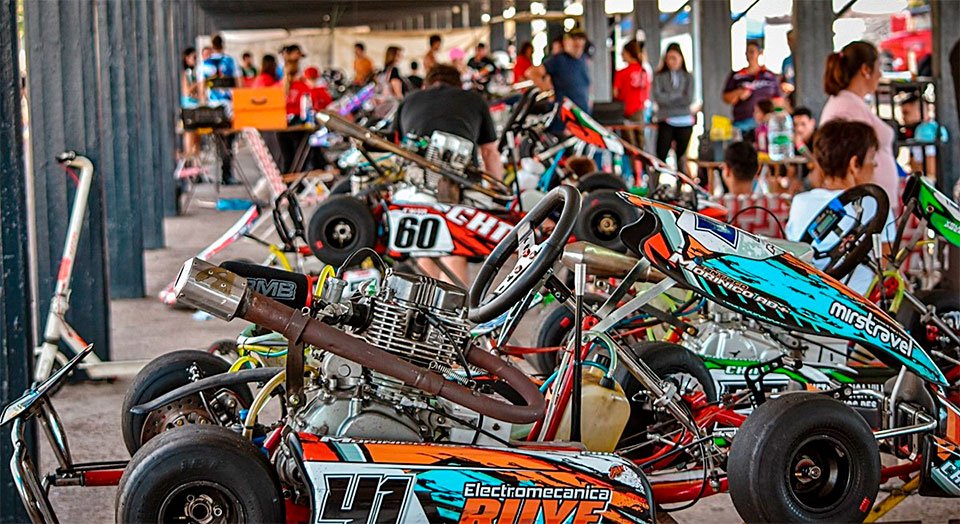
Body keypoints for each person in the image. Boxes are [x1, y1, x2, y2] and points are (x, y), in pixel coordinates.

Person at [393, 64, 503, 283]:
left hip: (416, 188)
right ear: (458, 85)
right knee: (454, 249)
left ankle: (423, 303)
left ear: (426, 85)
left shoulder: (409, 100)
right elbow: (490, 152)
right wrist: (497, 192)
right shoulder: (473, 99)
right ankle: (453, 304)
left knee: (425, 247)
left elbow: (396, 148)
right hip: (461, 186)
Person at [785, 119, 893, 294]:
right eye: (872, 158)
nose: (875, 165)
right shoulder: (875, 203)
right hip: (862, 304)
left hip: (811, 300)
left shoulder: (800, 202)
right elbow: (887, 268)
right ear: (854, 164)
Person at [820, 40, 898, 206]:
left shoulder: (852, 103)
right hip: (864, 206)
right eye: (878, 67)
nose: (880, 75)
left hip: (872, 203)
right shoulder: (845, 107)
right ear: (865, 70)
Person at [529, 29, 590, 134]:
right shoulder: (558, 60)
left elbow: (586, 83)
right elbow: (532, 72)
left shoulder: (583, 59)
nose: (578, 48)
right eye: (576, 44)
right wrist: (547, 91)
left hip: (581, 114)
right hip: (563, 116)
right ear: (567, 42)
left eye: (581, 46)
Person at [197, 34, 238, 184]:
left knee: (218, 139)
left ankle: (222, 168)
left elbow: (201, 90)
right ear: (223, 45)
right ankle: (227, 173)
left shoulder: (204, 65)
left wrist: (203, 107)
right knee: (229, 141)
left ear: (212, 46)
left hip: (213, 108)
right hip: (229, 106)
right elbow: (238, 85)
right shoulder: (230, 61)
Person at [723, 40, 782, 136]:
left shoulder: (770, 75)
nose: (749, 55)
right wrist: (739, 93)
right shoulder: (736, 76)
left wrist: (772, 115)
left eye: (752, 52)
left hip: (766, 123)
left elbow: (778, 100)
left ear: (760, 53)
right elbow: (726, 97)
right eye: (747, 52)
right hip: (742, 123)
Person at [652, 43, 695, 172]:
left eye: (674, 58)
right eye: (669, 58)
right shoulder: (659, 76)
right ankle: (657, 181)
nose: (671, 62)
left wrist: (668, 97)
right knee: (661, 154)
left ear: (681, 58)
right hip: (666, 119)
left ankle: (681, 181)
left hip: (684, 120)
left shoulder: (688, 77)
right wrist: (678, 95)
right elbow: (658, 97)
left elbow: (688, 99)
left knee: (681, 156)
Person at [180, 47, 200, 157]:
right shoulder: (186, 74)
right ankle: (188, 155)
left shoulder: (193, 73)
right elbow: (187, 91)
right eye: (194, 58)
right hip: (188, 106)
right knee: (190, 132)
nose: (195, 60)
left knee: (197, 134)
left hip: (195, 105)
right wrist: (198, 83)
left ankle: (195, 156)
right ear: (187, 59)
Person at [780, 30, 796, 96]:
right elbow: (783, 78)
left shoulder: (804, 60)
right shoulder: (786, 61)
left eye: (793, 39)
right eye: (789, 39)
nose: (790, 42)